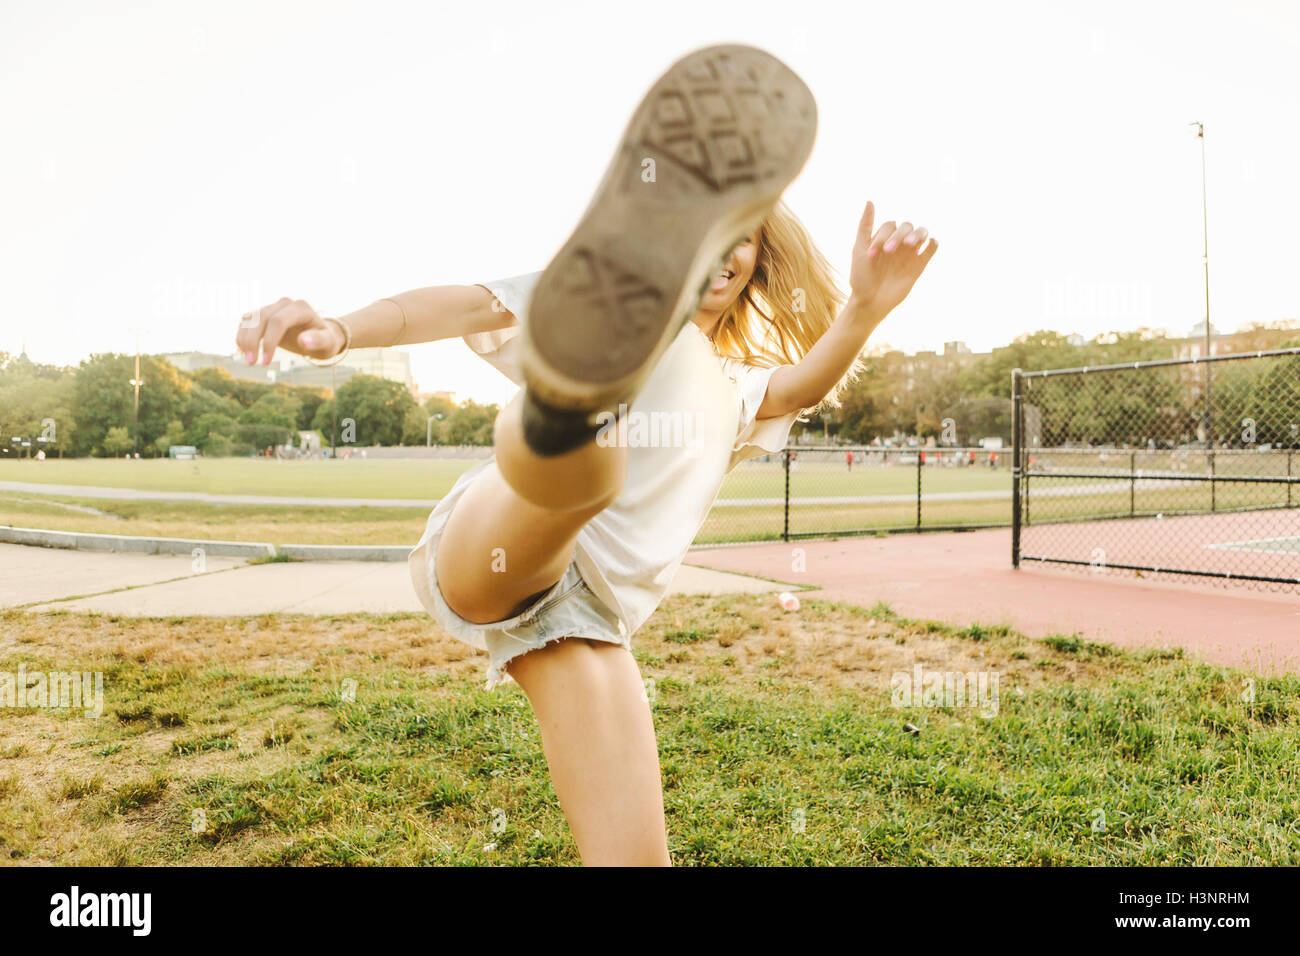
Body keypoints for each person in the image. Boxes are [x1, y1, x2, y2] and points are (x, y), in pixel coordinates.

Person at [233, 44, 937, 866]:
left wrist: (865, 308)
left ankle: (569, 413)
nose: (724, 248)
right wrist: (340, 331)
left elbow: (804, 385)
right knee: (582, 477)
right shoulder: (606, 296)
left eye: (740, 237)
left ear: (756, 264)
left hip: (588, 620)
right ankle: (564, 408)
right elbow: (453, 305)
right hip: (499, 545)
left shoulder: (739, 384)